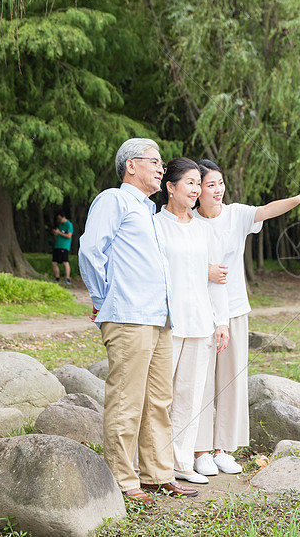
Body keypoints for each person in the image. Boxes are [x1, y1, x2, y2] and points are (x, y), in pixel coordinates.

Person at [79, 138, 198, 505]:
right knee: (127, 399)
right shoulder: (113, 201)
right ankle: (121, 477)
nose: (161, 168)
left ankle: (158, 474)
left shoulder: (146, 211)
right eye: (155, 161)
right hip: (128, 315)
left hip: (158, 317)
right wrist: (103, 299)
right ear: (131, 165)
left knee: (158, 401)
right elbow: (89, 250)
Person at [193, 159, 300, 476]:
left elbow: (266, 210)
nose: (218, 190)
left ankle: (223, 448)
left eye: (221, 183)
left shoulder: (235, 214)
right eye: (211, 185)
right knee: (200, 381)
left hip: (235, 309)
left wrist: (296, 200)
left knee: (229, 382)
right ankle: (199, 451)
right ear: (196, 190)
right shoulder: (189, 221)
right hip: (198, 311)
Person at [152, 157, 230, 485]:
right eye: (191, 183)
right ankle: (154, 464)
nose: (197, 190)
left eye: (200, 183)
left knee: (191, 394)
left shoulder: (202, 228)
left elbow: (217, 278)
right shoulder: (155, 224)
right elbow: (157, 272)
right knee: (159, 397)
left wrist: (221, 321)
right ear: (170, 187)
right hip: (167, 322)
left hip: (201, 322)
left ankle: (183, 463)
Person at [51, 211, 73, 284]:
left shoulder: (69, 225)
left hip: (64, 246)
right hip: (58, 245)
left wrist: (59, 232)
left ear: (64, 217)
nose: (59, 221)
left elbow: (69, 236)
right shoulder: (61, 225)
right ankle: (57, 277)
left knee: (65, 262)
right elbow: (60, 234)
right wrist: (56, 233)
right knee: (54, 262)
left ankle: (67, 278)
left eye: (60, 219)